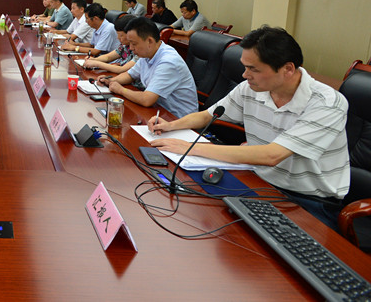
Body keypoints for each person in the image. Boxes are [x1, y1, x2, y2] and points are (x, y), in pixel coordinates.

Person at [148, 26, 349, 230]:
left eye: (254, 69)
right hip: (256, 180)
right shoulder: (251, 89)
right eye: (245, 67)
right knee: (197, 214)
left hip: (308, 202)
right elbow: (207, 115)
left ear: (288, 69)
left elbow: (272, 155)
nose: (245, 75)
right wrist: (170, 125)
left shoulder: (327, 103)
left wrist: (190, 147)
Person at [99, 16, 197, 118]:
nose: (131, 48)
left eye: (134, 44)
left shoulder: (168, 62)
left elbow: (147, 99)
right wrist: (110, 81)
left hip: (177, 119)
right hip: (157, 111)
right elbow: (130, 75)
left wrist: (120, 90)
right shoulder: (148, 53)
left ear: (150, 41)